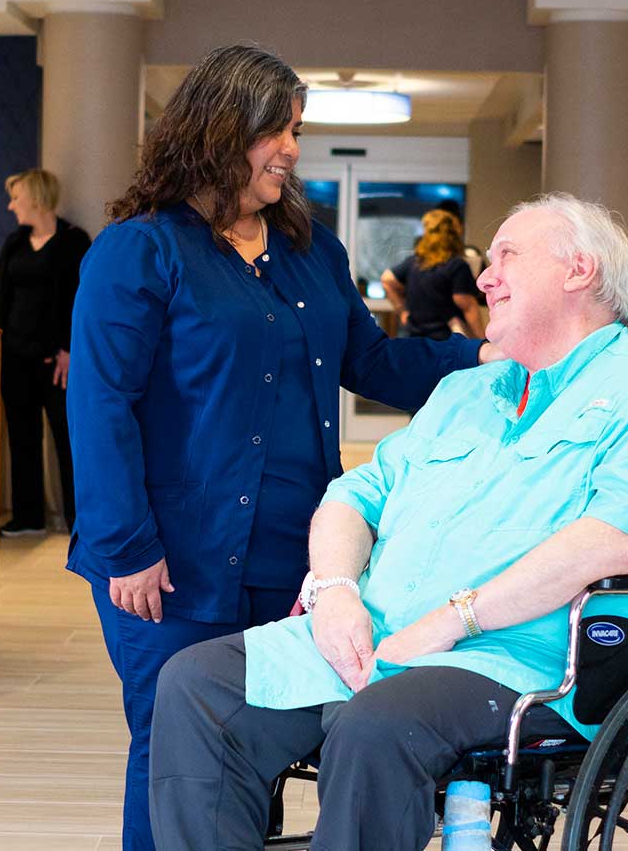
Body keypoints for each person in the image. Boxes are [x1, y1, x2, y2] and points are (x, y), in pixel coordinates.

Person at [147, 193, 628, 850]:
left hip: (524, 662)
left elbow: (616, 542)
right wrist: (335, 591)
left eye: (507, 256)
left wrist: (452, 622)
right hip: (378, 640)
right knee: (197, 685)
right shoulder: (463, 392)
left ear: (578, 270)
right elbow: (352, 496)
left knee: (377, 724)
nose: (485, 278)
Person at [66, 44, 491, 851]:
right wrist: (125, 547)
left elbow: (374, 362)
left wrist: (487, 356)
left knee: (252, 749)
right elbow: (100, 402)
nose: (293, 149)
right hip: (170, 562)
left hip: (294, 557)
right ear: (219, 130)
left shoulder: (311, 251)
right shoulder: (140, 250)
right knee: (176, 751)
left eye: (297, 129)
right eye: (277, 129)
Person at [0, 168, 89, 537]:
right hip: (15, 358)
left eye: (16, 198)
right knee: (22, 438)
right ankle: (28, 518)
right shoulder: (14, 243)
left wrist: (70, 349)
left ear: (36, 198)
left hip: (57, 361)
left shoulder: (74, 241)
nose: (11, 206)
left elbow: (83, 301)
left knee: (69, 440)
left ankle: (80, 519)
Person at [380, 208, 484, 339]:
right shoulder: (456, 265)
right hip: (446, 341)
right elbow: (467, 305)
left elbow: (387, 279)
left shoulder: (414, 262)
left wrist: (402, 311)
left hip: (416, 340)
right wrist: (482, 339)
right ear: (454, 234)